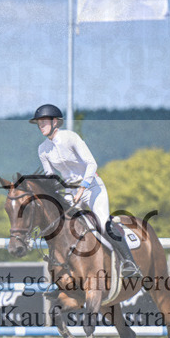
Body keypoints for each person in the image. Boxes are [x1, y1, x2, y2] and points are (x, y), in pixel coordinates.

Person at [30, 103, 142, 279]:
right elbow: (51, 177)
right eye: (39, 122)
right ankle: (60, 276)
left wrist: (83, 187)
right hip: (70, 192)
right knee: (59, 228)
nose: (40, 125)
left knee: (103, 223)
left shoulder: (71, 137)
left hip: (92, 187)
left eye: (44, 121)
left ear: (54, 122)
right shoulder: (42, 149)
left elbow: (92, 163)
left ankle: (129, 263)